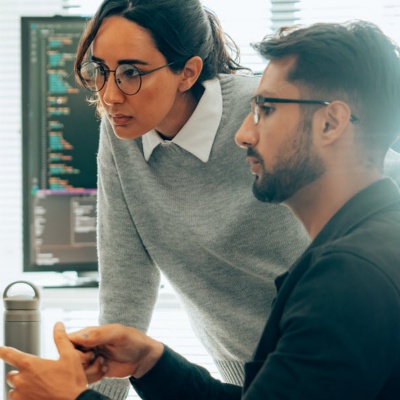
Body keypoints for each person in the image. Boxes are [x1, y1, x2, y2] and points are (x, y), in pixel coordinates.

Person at [2, 18, 400, 400]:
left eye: (265, 109)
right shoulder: (348, 261)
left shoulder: (348, 278)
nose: (244, 134)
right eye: (99, 71)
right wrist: (151, 364)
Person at [70, 0, 314, 397]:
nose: (110, 96)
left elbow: (373, 183)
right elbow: (125, 287)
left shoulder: (264, 107)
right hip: (241, 375)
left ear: (187, 72)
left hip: (338, 355)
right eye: (101, 70)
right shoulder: (122, 132)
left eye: (132, 72)